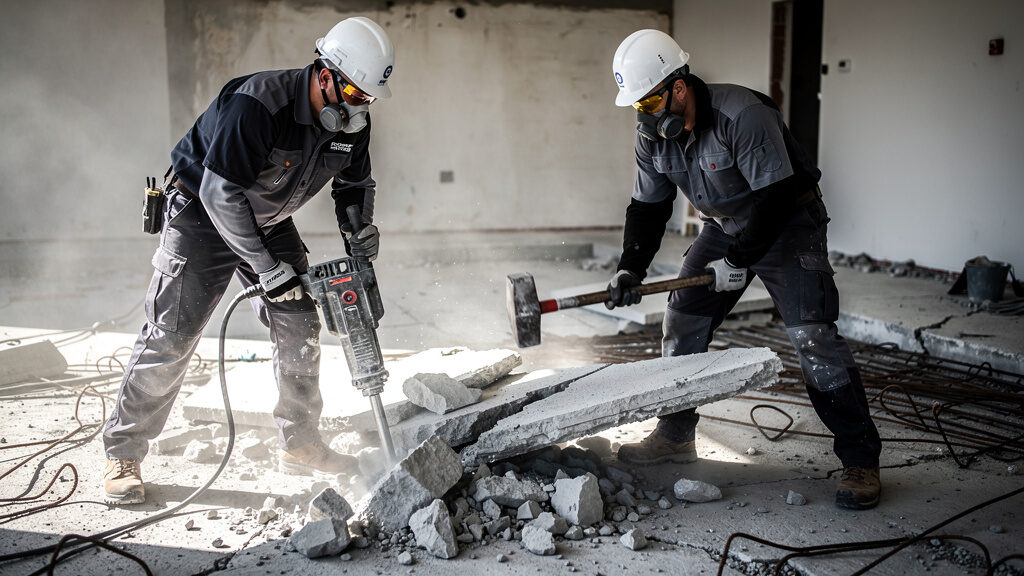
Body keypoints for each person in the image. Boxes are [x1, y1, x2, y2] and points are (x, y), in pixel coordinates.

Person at [102, 16, 395, 505]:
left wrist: (358, 232)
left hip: (268, 216)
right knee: (174, 332)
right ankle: (123, 451)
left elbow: (352, 185)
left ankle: (299, 442)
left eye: (367, 98)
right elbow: (220, 193)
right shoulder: (259, 103)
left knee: (299, 320)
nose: (359, 106)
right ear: (325, 74)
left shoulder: (352, 120)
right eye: (354, 93)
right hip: (203, 211)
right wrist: (266, 268)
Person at [606, 29, 882, 510]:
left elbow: (775, 200)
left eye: (651, 103)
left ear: (678, 86)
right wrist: (629, 269)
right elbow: (648, 208)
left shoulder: (743, 115)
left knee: (813, 337)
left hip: (789, 223)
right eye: (638, 109)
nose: (647, 117)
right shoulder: (652, 136)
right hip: (724, 226)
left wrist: (737, 262)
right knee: (683, 318)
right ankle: (675, 433)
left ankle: (861, 460)